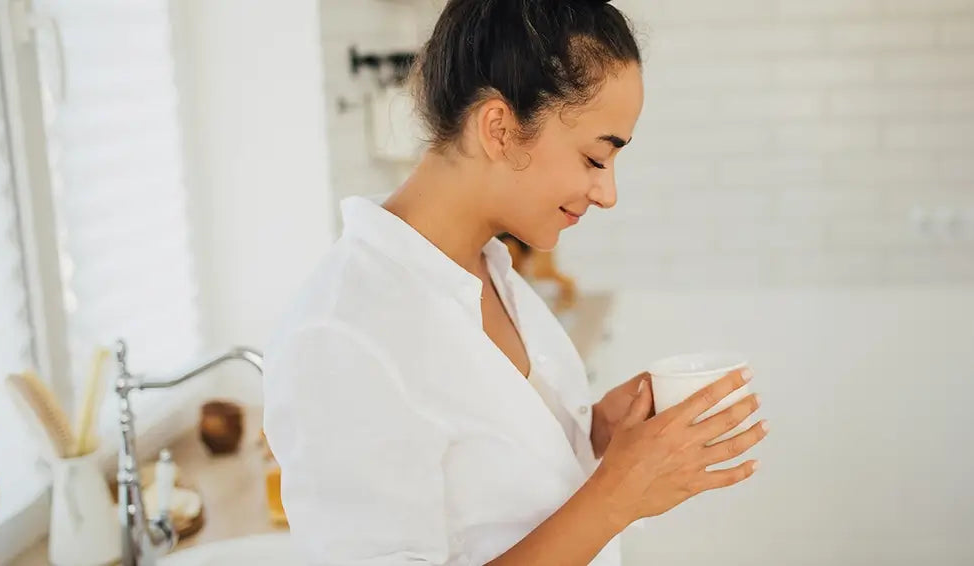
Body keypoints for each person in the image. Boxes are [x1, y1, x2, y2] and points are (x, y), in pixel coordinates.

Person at [260, 0, 767, 564]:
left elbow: (493, 487)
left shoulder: (490, 272)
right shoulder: (342, 336)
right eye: (596, 159)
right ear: (499, 129)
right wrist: (615, 498)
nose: (608, 194)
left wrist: (596, 432)